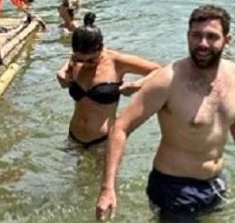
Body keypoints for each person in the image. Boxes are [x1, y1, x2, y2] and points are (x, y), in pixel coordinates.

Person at [96, 4, 235, 223]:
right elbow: (121, 127)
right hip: (174, 189)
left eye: (211, 37)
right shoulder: (167, 80)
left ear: (227, 39)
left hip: (216, 182)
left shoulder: (234, 73)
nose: (202, 43)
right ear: (187, 36)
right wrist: (108, 188)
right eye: (196, 36)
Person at [57, 14, 160, 148]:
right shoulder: (76, 59)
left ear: (101, 48)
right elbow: (67, 67)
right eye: (81, 60)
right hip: (73, 136)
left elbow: (159, 70)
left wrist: (137, 85)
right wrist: (61, 73)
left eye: (91, 60)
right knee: (66, 169)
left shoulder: (117, 61)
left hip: (103, 141)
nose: (85, 64)